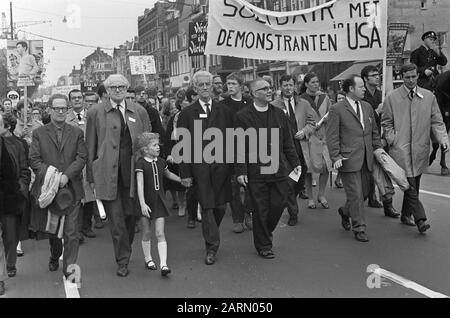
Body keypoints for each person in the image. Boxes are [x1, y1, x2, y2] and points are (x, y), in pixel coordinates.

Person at [86, 75, 152, 277]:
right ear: (106, 90)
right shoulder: (95, 112)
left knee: (132, 217)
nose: (117, 90)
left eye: (121, 86)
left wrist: (151, 169)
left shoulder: (139, 110)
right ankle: (122, 260)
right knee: (116, 220)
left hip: (133, 173)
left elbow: (148, 140)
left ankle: (126, 247)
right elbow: (90, 146)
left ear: (127, 88)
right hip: (108, 173)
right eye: (113, 87)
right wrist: (91, 175)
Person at [235, 78, 301, 258]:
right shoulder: (242, 116)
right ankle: (264, 245)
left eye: (270, 87)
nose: (269, 90)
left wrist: (295, 163)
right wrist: (240, 171)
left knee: (278, 205)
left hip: (278, 169)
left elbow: (288, 142)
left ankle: (264, 229)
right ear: (254, 94)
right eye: (264, 89)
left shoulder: (279, 114)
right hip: (255, 172)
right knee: (260, 209)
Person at [381, 63, 450, 233]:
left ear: (418, 76)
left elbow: (437, 121)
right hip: (401, 148)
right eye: (407, 77)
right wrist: (392, 138)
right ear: (402, 78)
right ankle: (420, 219)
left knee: (415, 182)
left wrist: (443, 139)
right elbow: (386, 122)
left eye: (413, 76)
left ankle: (406, 215)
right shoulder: (392, 97)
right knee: (410, 184)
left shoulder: (428, 97)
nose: (411, 80)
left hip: (420, 148)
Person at [177, 71, 234, 265]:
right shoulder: (186, 114)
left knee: (220, 207)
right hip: (199, 168)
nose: (204, 88)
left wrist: (235, 168)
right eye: (200, 85)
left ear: (213, 86)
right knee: (208, 206)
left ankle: (212, 233)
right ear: (194, 88)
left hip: (222, 168)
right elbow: (183, 146)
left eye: (207, 84)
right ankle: (211, 247)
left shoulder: (225, 111)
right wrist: (185, 173)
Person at [29, 93, 87, 276]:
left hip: (72, 190)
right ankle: (55, 255)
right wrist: (53, 176)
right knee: (53, 231)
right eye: (57, 108)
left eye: (64, 108)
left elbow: (81, 157)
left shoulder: (77, 132)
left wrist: (67, 176)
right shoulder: (39, 133)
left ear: (68, 109)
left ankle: (70, 270)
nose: (61, 111)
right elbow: (34, 160)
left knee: (71, 232)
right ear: (50, 110)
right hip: (50, 190)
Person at [326, 75, 382, 242]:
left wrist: (378, 148)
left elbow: (373, 131)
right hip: (347, 158)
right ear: (351, 89)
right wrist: (335, 156)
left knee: (364, 193)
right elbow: (332, 136)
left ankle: (345, 211)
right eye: (361, 86)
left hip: (367, 157)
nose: (364, 89)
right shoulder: (337, 109)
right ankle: (359, 227)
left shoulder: (367, 106)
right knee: (356, 194)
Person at [136, 133, 185, 276]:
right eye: (154, 145)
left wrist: (181, 180)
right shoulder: (141, 163)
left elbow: (168, 174)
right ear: (145, 149)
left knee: (160, 233)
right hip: (145, 202)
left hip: (159, 201)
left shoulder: (161, 162)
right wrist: (142, 203)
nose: (158, 147)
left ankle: (164, 264)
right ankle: (148, 258)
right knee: (146, 232)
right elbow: (140, 184)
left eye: (158, 145)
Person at [361, 66, 399, 218]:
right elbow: (362, 121)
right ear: (365, 79)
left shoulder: (382, 94)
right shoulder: (362, 96)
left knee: (384, 172)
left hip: (382, 140)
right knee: (369, 174)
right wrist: (377, 111)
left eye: (378, 74)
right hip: (366, 141)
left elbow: (389, 119)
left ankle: (387, 205)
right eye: (373, 75)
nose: (377, 77)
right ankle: (356, 205)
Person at [271, 74, 306, 225]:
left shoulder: (303, 103)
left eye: (291, 85)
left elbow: (313, 122)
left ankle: (289, 199)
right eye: (285, 85)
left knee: (300, 181)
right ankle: (293, 212)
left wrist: (305, 131)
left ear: (295, 86)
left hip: (301, 148)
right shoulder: (273, 105)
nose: (288, 88)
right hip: (284, 150)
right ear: (281, 87)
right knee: (289, 183)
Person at [222, 72, 254, 233]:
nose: (231, 87)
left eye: (234, 84)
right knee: (234, 185)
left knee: (250, 183)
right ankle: (237, 218)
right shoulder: (223, 104)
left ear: (241, 86)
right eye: (228, 84)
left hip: (249, 148)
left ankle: (248, 212)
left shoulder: (250, 103)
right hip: (230, 148)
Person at [0, 113, 31, 278]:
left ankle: (10, 263)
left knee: (11, 234)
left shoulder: (19, 145)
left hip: (11, 196)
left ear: (7, 127)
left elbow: (24, 169)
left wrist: (21, 188)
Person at [66, 89, 96, 242]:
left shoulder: (91, 115)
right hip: (74, 160)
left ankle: (87, 226)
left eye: (79, 98)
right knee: (76, 195)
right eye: (73, 98)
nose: (77, 100)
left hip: (90, 159)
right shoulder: (66, 118)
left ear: (83, 99)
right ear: (69, 101)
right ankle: (76, 229)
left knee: (90, 194)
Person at [298, 73, 332, 210]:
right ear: (306, 84)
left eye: (317, 81)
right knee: (309, 168)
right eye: (312, 82)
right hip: (309, 138)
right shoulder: (300, 100)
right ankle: (310, 197)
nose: (316, 84)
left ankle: (322, 194)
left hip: (324, 136)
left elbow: (331, 113)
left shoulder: (325, 97)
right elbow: (300, 118)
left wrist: (326, 120)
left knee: (326, 166)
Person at [429, 70, 450, 176]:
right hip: (427, 80)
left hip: (436, 76)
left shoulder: (436, 52)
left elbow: (443, 61)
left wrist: (438, 53)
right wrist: (424, 71)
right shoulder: (417, 53)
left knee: (445, 129)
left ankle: (442, 161)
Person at [334, 91, 346, 189]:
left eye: (343, 98)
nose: (341, 100)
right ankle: (338, 178)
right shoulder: (334, 109)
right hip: (337, 138)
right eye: (339, 98)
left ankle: (339, 178)